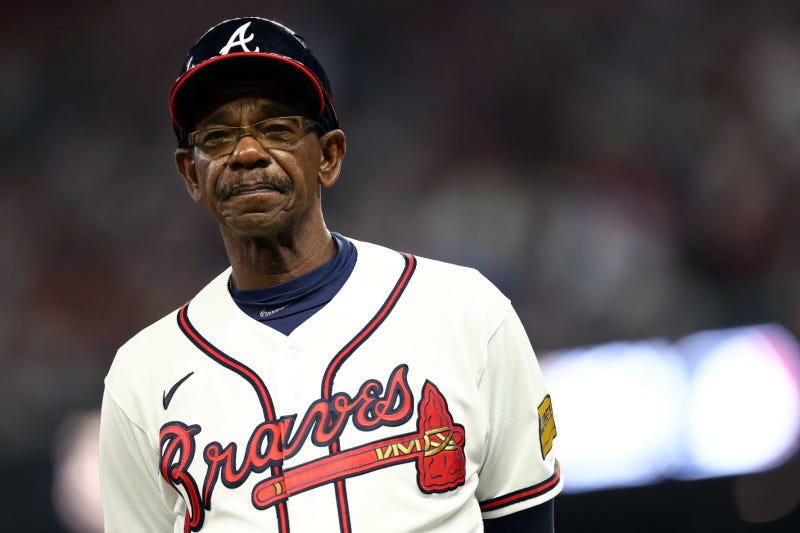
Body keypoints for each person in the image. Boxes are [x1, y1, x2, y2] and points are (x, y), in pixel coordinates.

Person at [99, 16, 562, 533]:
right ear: (191, 173)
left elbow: (523, 520)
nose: (247, 154)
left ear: (329, 156)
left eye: (277, 129)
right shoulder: (140, 377)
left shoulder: (467, 313)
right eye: (219, 136)